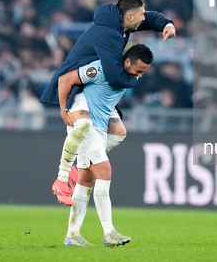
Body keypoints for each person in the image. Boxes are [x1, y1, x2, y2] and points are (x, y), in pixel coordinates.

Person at [40, 0, 175, 205]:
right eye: (139, 15)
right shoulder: (109, 34)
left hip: (92, 84)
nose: (142, 19)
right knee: (84, 126)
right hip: (78, 87)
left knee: (119, 133)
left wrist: (166, 23)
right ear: (129, 16)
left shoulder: (121, 23)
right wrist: (136, 79)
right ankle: (62, 178)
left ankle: (80, 167)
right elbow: (115, 76)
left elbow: (148, 18)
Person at [58, 43, 153, 247]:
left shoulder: (127, 77)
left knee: (85, 181)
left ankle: (72, 235)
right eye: (139, 70)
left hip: (101, 128)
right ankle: (109, 232)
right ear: (127, 61)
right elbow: (65, 79)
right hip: (87, 125)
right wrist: (64, 111)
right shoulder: (101, 69)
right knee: (105, 172)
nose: (140, 75)